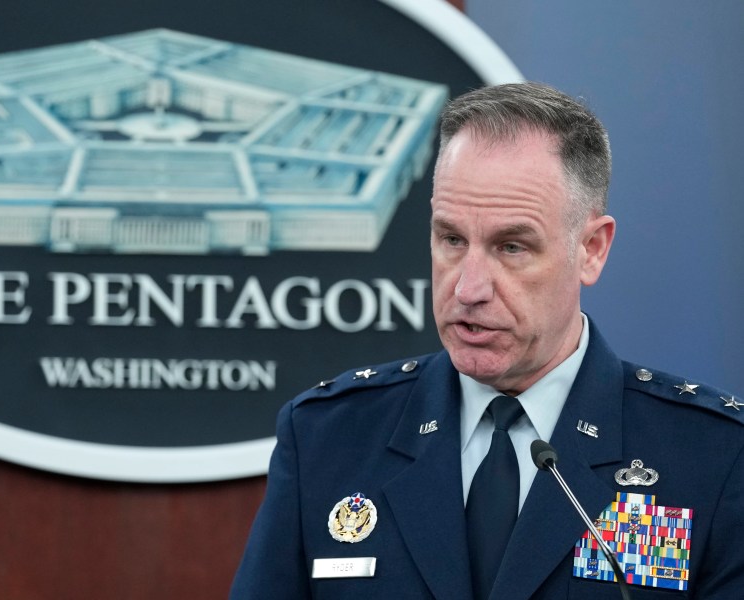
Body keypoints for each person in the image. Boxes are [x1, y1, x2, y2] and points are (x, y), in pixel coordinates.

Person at [229, 82, 744, 599]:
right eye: (451, 239)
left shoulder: (713, 458)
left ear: (591, 249)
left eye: (512, 246)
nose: (468, 288)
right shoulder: (328, 438)